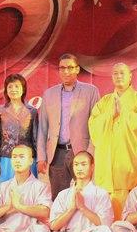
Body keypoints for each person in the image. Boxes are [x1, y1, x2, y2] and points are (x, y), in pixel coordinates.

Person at [88, 62, 137, 219]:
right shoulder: (104, 102)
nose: (118, 76)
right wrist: (110, 115)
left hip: (130, 163)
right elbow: (93, 125)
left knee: (132, 210)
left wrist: (124, 113)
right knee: (107, 214)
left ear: (130, 76)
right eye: (115, 73)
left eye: (122, 73)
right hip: (108, 164)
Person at [22, 151, 114, 232]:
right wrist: (71, 210)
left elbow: (104, 224)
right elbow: (54, 226)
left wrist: (83, 208)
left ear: (92, 167)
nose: (79, 168)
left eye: (83, 164)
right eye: (76, 164)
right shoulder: (63, 194)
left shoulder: (101, 193)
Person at [37, 53, 100, 198]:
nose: (66, 71)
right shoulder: (49, 94)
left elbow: (96, 126)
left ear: (77, 69)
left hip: (82, 151)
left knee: (86, 195)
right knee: (59, 197)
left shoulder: (91, 91)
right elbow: (42, 128)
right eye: (62, 68)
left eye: (70, 67)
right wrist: (41, 157)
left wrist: (90, 153)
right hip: (57, 153)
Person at [0, 74, 38, 200]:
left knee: (26, 195)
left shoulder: (32, 111)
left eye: (17, 86)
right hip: (4, 161)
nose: (13, 89)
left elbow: (36, 137)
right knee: (0, 195)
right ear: (6, 89)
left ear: (23, 89)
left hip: (26, 160)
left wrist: (38, 160)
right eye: (10, 87)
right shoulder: (0, 110)